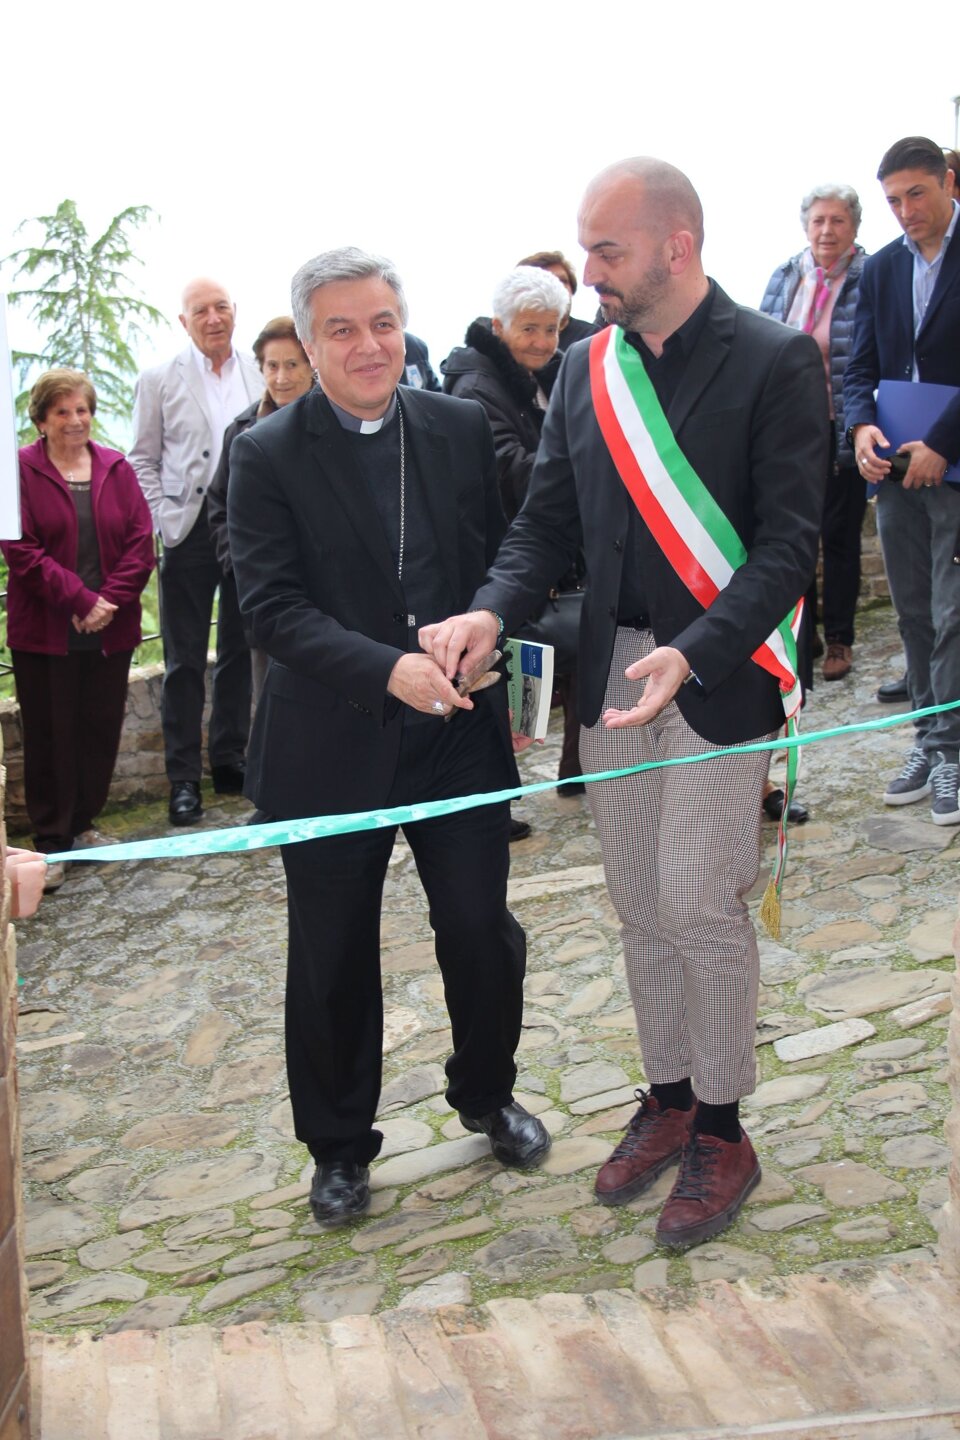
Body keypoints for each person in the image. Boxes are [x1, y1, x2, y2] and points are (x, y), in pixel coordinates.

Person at [422, 158, 827, 1249]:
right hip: (611, 672)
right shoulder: (588, 368)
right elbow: (544, 525)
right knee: (642, 902)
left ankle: (726, 1129)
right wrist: (489, 613)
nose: (588, 271)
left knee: (699, 899)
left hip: (720, 672)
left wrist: (696, 652)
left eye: (606, 250)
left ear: (675, 246)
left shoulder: (777, 359)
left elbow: (789, 542)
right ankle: (674, 1095)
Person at [227, 246, 549, 1228]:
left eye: (383, 323)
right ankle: (338, 1148)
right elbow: (270, 609)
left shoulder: (457, 425)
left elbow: (511, 551)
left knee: (480, 931)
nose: (369, 345)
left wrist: (488, 619)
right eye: (342, 329)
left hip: (456, 730)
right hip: (331, 745)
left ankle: (487, 1092)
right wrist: (385, 669)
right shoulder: (266, 454)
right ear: (308, 343)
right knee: (331, 956)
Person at [2, 371, 154, 893]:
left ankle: (85, 825)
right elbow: (20, 549)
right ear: (41, 420)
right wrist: (81, 599)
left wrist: (106, 602)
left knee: (98, 731)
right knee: (49, 736)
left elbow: (141, 543)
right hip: (45, 631)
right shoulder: (20, 471)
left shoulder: (116, 467)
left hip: (109, 628)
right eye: (62, 411)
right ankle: (51, 843)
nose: (75, 420)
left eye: (82, 410)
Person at [845, 136, 960, 826]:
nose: (906, 210)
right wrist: (860, 427)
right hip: (893, 469)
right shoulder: (883, 267)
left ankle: (951, 751)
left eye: (917, 193)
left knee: (954, 613)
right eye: (892, 200)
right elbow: (860, 365)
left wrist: (942, 444)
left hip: (954, 466)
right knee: (913, 612)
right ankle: (928, 737)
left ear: (948, 181)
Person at [441, 266, 585, 793]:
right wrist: (584, 471)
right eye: (529, 329)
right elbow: (510, 471)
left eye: (551, 329)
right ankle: (495, 800)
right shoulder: (477, 385)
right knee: (500, 684)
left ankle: (575, 773)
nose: (543, 341)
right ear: (500, 326)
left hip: (547, 554)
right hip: (504, 558)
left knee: (550, 668)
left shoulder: (548, 374)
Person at [129, 278, 263, 826]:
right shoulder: (159, 379)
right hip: (186, 532)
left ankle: (229, 759)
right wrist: (164, 520)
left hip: (245, 528)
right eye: (200, 310)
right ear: (184, 322)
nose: (213, 318)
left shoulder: (259, 370)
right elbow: (141, 458)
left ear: (234, 312)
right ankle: (183, 779)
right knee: (184, 660)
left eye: (221, 307)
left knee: (239, 651)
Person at [760, 185, 868, 684]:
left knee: (840, 537)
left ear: (855, 227)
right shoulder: (787, 275)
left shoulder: (867, 277)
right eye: (819, 220)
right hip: (790, 431)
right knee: (793, 536)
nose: (827, 230)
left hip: (841, 424)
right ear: (806, 226)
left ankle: (840, 637)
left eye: (838, 220)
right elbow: (762, 342)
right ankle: (805, 636)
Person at [207, 316, 315, 705]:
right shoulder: (242, 431)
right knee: (271, 706)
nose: (281, 377)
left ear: (312, 365)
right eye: (272, 365)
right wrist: (241, 564)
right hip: (264, 602)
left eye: (292, 364)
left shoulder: (335, 425)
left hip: (327, 603)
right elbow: (219, 507)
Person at [517, 250, 600, 351]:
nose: (557, 287)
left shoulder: (593, 337)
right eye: (547, 281)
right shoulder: (505, 338)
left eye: (563, 281)